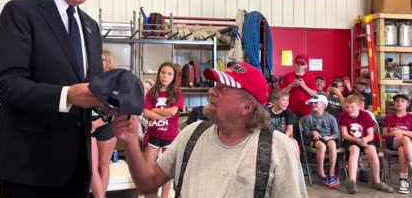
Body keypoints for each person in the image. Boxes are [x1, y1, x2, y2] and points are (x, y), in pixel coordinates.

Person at [0, 0, 110, 197]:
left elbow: (93, 87)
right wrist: (67, 95)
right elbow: (6, 84)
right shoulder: (21, 12)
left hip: (77, 171)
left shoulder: (90, 27)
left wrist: (112, 102)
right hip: (28, 170)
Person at [113, 63, 308, 197]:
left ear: (247, 106)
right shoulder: (192, 134)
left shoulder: (278, 150)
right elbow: (147, 183)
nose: (211, 91)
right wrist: (131, 142)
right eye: (216, 85)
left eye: (223, 88)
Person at [141, 61, 184, 198]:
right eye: (163, 72)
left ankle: (164, 196)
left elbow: (173, 112)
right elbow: (146, 113)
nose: (165, 76)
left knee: (167, 171)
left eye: (169, 74)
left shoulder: (177, 93)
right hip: (153, 135)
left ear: (173, 77)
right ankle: (150, 195)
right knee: (148, 169)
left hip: (170, 137)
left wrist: (155, 110)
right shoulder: (152, 93)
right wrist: (159, 114)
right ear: (159, 74)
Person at [339, 95, 393, 194]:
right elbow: (345, 134)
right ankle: (352, 182)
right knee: (355, 150)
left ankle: (377, 181)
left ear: (359, 106)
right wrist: (357, 140)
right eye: (347, 107)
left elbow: (371, 135)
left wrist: (365, 139)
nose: (349, 109)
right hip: (351, 140)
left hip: (365, 139)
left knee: (372, 151)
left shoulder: (366, 115)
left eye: (352, 107)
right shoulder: (343, 115)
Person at [90, 49, 117, 198]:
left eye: (104, 59)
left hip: (106, 126)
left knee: (104, 164)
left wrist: (96, 124)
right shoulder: (89, 78)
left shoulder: (113, 82)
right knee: (92, 166)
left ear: (109, 62)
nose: (101, 62)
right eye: (99, 59)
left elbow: (115, 109)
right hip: (89, 126)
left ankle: (101, 195)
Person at [303, 95, 340, 189]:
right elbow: (306, 132)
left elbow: (336, 133)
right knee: (322, 146)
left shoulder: (331, 118)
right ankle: (321, 171)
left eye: (316, 102)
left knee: (332, 144)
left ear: (324, 105)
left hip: (328, 138)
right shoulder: (308, 118)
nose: (313, 104)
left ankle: (332, 172)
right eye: (312, 103)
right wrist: (313, 132)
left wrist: (331, 137)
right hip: (315, 139)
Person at [382, 93, 412, 194]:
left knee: (402, 149)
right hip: (393, 142)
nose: (399, 103)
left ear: (407, 104)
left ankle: (403, 180)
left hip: (408, 146)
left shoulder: (411, 117)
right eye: (397, 101)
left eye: (402, 101)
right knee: (405, 140)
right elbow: (384, 133)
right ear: (394, 104)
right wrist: (392, 132)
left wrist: (401, 131)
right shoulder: (388, 117)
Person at [267, 90, 299, 156]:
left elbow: (290, 130)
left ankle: (296, 165)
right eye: (283, 100)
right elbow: (263, 129)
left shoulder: (288, 111)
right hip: (270, 137)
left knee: (294, 143)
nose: (286, 103)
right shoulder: (267, 112)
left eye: (287, 100)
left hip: (284, 137)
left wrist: (282, 139)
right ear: (275, 101)